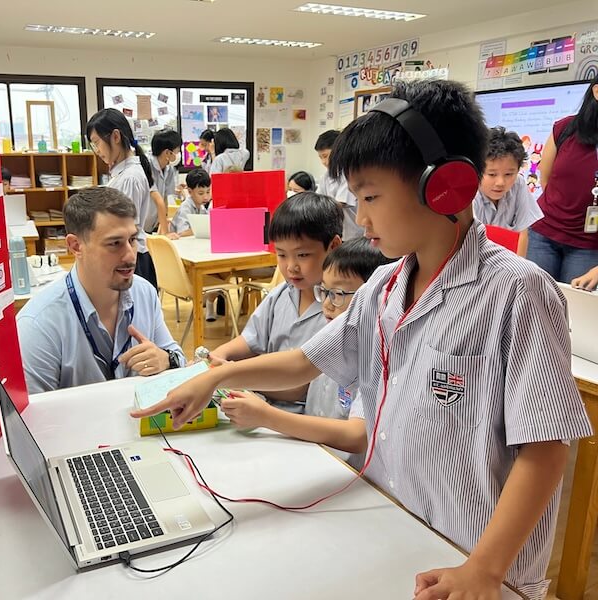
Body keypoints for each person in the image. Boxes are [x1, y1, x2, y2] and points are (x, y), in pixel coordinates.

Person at [133, 80, 593, 599]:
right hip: (394, 526)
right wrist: (217, 376)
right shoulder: (386, 284)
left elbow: (547, 449)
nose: (363, 217)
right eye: (357, 198)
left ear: (442, 185)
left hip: (475, 562)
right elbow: (306, 363)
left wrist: (485, 570)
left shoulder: (518, 291)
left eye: (371, 196)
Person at [222, 237, 393, 461]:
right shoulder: (328, 335)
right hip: (312, 455)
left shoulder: (376, 356)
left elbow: (355, 435)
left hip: (348, 473)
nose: (327, 304)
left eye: (338, 294)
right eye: (324, 291)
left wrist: (266, 415)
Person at [16, 187, 185, 393]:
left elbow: (177, 357)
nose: (131, 256)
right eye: (115, 243)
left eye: (132, 240)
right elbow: (31, 418)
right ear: (76, 246)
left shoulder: (144, 293)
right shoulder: (39, 325)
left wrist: (165, 359)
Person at [208, 191, 343, 411]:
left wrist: (232, 375)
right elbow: (251, 339)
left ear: (334, 246)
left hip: (299, 419)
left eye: (302, 255)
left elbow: (298, 387)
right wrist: (220, 354)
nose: (291, 266)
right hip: (259, 405)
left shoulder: (337, 310)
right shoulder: (283, 294)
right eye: (281, 255)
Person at [526, 74, 598, 282]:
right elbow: (545, 179)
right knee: (535, 301)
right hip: (544, 234)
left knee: (573, 308)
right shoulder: (566, 128)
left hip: (588, 244)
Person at [87, 108, 158, 288]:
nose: (97, 151)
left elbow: (124, 229)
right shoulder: (123, 173)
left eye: (97, 143)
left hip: (130, 260)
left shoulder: (129, 178)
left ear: (115, 137)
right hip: (126, 257)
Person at [473, 127, 542, 256]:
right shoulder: (470, 194)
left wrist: (519, 268)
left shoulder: (519, 184)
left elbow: (522, 233)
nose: (500, 182)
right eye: (492, 174)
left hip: (507, 261)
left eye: (509, 174)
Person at [315, 129, 363, 240]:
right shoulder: (326, 176)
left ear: (339, 151)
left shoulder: (349, 173)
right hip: (338, 232)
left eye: (326, 156)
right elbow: (318, 199)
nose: (324, 162)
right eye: (321, 157)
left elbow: (338, 204)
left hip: (355, 234)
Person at [146, 129, 182, 234]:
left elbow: (165, 198)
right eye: (177, 151)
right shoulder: (147, 166)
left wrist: (163, 224)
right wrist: (166, 234)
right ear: (167, 153)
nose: (178, 154)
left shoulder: (169, 169)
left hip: (154, 223)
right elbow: (158, 200)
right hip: (140, 221)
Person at [168, 168, 210, 239]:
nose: (206, 197)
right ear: (190, 191)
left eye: (208, 192)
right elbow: (182, 233)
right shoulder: (185, 208)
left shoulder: (201, 207)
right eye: (201, 193)